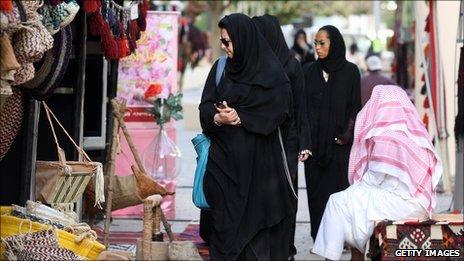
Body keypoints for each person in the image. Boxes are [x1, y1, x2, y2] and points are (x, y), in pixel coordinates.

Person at [199, 13, 297, 260]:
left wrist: (242, 117)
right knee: (223, 231)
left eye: (228, 42)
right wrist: (216, 117)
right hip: (224, 167)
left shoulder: (273, 75)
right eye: (222, 41)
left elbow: (280, 110)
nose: (224, 47)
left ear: (243, 40)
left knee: (256, 240)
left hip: (260, 174)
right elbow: (205, 105)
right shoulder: (221, 69)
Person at [312, 85, 442, 260]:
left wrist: (358, 184)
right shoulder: (413, 134)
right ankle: (352, 256)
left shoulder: (387, 136)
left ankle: (333, 256)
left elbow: (374, 179)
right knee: (351, 203)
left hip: (403, 204)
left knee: (339, 202)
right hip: (417, 203)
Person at [252, 14, 311, 260]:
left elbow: (301, 108)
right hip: (260, 141)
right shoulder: (254, 63)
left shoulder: (291, 65)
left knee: (286, 195)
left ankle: (284, 248)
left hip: (286, 142)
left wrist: (304, 143)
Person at [301, 25, 361, 241]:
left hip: (339, 147)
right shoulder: (308, 71)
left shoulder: (351, 72)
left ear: (334, 44)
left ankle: (340, 239)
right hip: (315, 148)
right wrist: (304, 142)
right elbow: (302, 110)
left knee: (338, 195)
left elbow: (355, 107)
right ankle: (321, 237)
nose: (317, 47)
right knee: (316, 195)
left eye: (322, 43)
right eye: (315, 43)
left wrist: (346, 135)